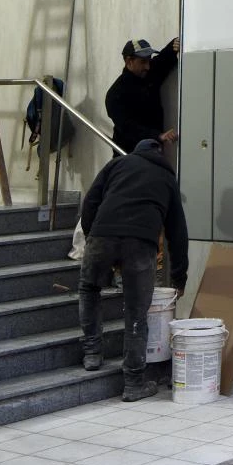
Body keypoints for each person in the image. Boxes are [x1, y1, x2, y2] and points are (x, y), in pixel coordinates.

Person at [78, 136, 189, 401]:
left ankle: (93, 353)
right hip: (141, 243)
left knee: (89, 288)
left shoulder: (117, 165)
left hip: (102, 235)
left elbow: (90, 201)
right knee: (136, 312)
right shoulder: (167, 179)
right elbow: (177, 232)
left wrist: (93, 234)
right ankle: (133, 383)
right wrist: (179, 277)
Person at [105, 37, 179, 154]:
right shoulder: (115, 94)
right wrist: (158, 136)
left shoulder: (148, 74)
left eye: (149, 61)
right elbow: (127, 127)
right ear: (129, 61)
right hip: (129, 156)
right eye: (143, 62)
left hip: (153, 153)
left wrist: (174, 45)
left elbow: (163, 60)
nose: (148, 66)